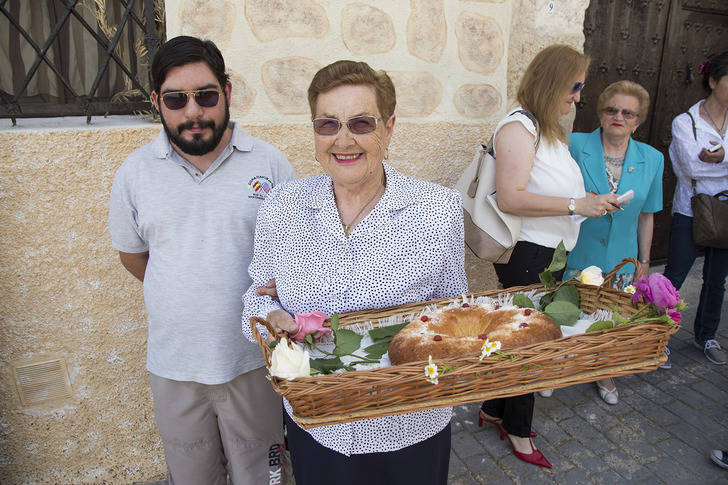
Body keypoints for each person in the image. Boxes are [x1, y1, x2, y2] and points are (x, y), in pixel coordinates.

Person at [241, 60, 467, 485]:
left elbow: (454, 312)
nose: (343, 139)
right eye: (327, 124)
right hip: (319, 427)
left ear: (390, 127)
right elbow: (257, 295)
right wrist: (270, 319)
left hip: (411, 425)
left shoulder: (438, 209)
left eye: (361, 123)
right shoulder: (282, 207)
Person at [108, 36, 296, 485]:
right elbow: (134, 256)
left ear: (227, 93)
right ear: (157, 102)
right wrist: (185, 291)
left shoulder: (270, 165)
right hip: (175, 368)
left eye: (206, 96)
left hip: (255, 363)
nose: (192, 111)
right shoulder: (135, 173)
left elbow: (295, 258)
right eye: (175, 99)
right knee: (192, 476)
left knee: (263, 475)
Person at [478, 44, 621, 469]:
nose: (578, 96)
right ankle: (518, 431)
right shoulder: (519, 128)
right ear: (552, 82)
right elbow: (511, 197)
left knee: (523, 334)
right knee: (531, 343)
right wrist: (579, 206)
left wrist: (590, 200)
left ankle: (493, 409)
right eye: (574, 86)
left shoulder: (545, 127)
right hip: (529, 254)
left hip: (546, 252)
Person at [565, 80, 664, 403]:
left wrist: (644, 262)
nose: (619, 116)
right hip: (578, 249)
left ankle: (603, 373)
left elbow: (647, 214)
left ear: (638, 120)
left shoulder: (652, 158)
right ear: (601, 113)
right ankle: (559, 366)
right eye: (612, 110)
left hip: (622, 257)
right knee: (568, 313)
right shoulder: (575, 145)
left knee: (610, 321)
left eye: (628, 112)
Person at [663, 51, 728, 366]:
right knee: (673, 278)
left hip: (725, 215)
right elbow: (691, 167)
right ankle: (658, 337)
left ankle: (707, 334)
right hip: (691, 210)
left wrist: (722, 157)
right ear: (713, 81)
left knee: (717, 281)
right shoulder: (684, 122)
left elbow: (706, 165)